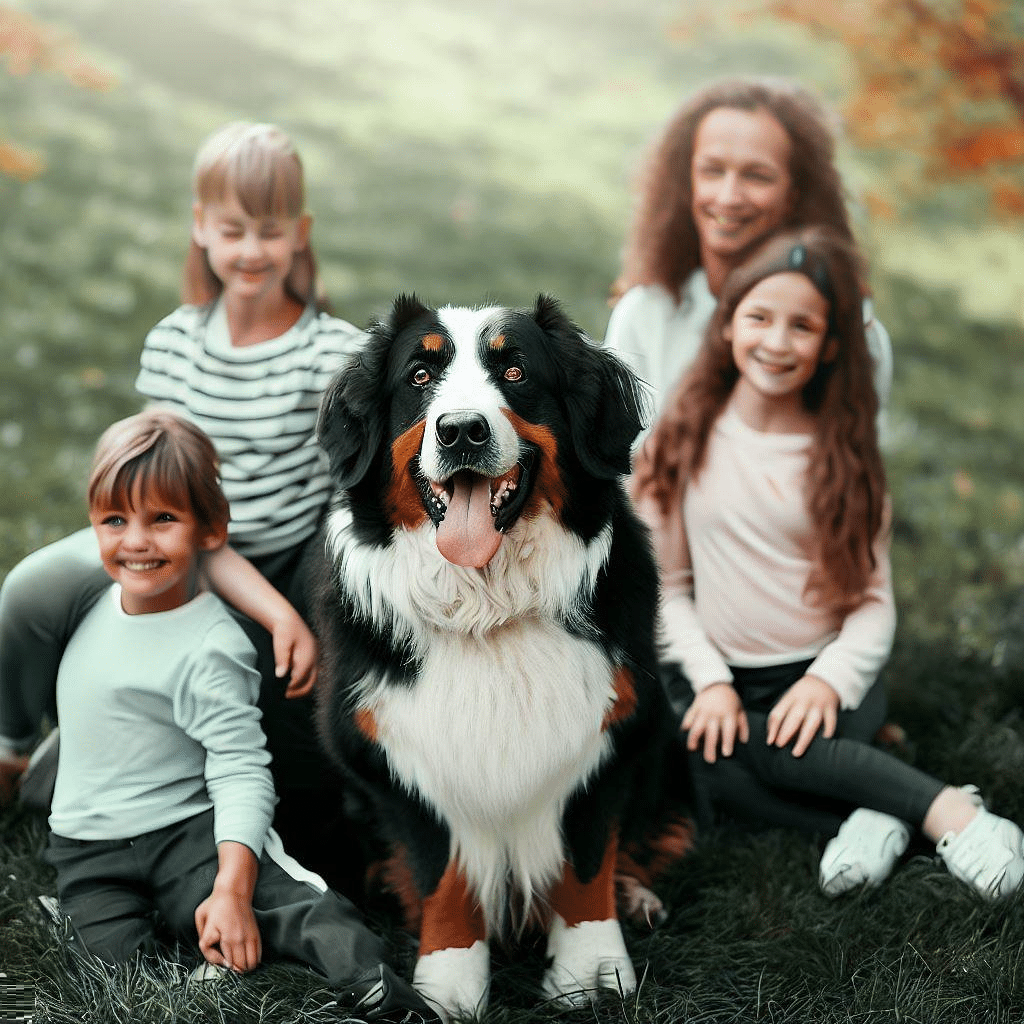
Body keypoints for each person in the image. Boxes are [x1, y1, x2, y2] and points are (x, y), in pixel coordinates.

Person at [0, 122, 365, 883]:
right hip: (176, 540)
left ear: (299, 234)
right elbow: (164, 496)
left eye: (270, 230)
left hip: (287, 553)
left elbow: (346, 499)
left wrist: (286, 610)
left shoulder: (329, 353)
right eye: (232, 229)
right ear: (201, 227)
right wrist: (263, 608)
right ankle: (11, 746)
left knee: (272, 676)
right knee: (30, 590)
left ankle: (304, 816)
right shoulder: (174, 341)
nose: (251, 250)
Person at [630, 226, 1024, 899]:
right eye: (759, 317)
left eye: (802, 326)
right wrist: (712, 680)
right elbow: (668, 588)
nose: (777, 342)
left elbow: (872, 604)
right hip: (726, 676)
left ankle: (953, 815)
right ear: (728, 326)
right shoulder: (682, 439)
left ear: (831, 344)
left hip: (829, 676)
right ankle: (880, 806)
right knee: (696, 762)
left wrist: (828, 682)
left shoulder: (843, 455)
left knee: (790, 746)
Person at [43, 411, 436, 1022]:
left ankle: (374, 985)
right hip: (89, 850)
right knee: (112, 969)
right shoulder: (85, 599)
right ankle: (198, 955)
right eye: (114, 521)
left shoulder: (210, 647)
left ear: (210, 530)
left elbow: (240, 769)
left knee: (297, 907)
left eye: (163, 519)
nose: (136, 541)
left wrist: (232, 886)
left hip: (186, 833)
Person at [604, 76, 893, 431]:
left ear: (796, 193)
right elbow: (615, 472)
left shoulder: (850, 334)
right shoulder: (646, 312)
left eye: (757, 176)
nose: (728, 197)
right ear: (684, 182)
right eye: (712, 170)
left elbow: (849, 470)